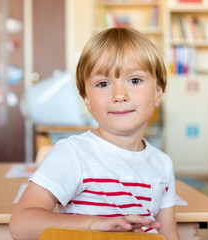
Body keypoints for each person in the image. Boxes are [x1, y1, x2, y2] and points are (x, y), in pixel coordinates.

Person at [10, 27, 180, 240]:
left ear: (157, 93)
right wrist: (94, 224)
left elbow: (167, 235)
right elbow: (21, 223)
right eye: (103, 83)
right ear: (87, 101)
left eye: (134, 80)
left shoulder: (163, 163)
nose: (119, 95)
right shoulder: (73, 153)